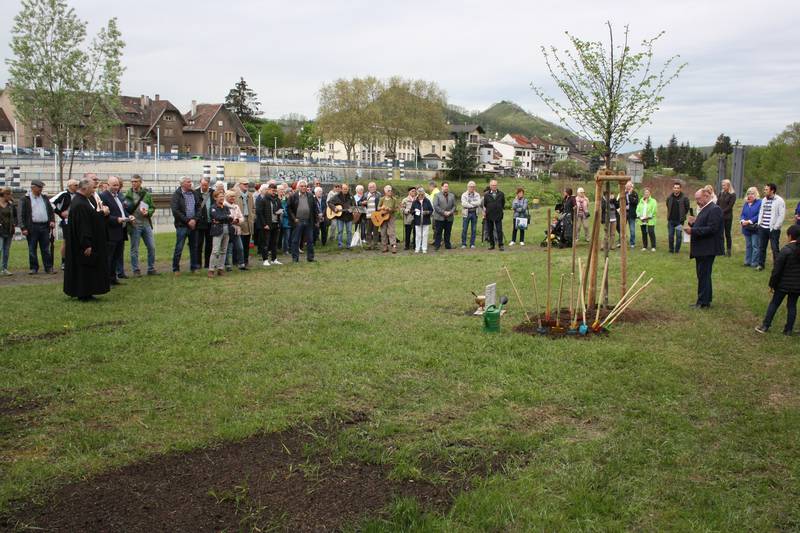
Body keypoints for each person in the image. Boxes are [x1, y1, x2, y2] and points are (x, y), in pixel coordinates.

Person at [63, 178, 110, 301]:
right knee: (84, 268)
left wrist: (100, 214)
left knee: (87, 268)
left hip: (83, 242)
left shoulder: (82, 201)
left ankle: (87, 291)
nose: (93, 191)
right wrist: (86, 244)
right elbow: (83, 226)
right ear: (84, 188)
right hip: (83, 243)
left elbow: (91, 218)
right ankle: (83, 293)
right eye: (92, 188)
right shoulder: (80, 204)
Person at [755, 225, 800, 335]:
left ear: (790, 236)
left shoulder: (786, 250)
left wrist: (772, 284)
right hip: (797, 286)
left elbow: (777, 270)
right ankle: (788, 330)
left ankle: (765, 325)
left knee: (774, 304)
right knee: (792, 306)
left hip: (783, 285)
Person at [685, 188, 724, 309]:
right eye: (696, 199)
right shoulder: (705, 209)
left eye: (698, 199)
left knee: (704, 275)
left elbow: (712, 229)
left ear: (706, 196)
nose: (697, 201)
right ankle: (705, 300)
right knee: (703, 275)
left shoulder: (714, 209)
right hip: (702, 248)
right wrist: (693, 223)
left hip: (707, 248)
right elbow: (704, 224)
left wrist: (693, 230)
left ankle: (703, 302)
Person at [99, 176, 134, 286]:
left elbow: (122, 211)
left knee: (116, 256)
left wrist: (129, 216)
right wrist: (116, 219)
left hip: (120, 230)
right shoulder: (103, 196)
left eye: (117, 185)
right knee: (109, 257)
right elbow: (104, 216)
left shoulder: (118, 196)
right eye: (113, 185)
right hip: (110, 231)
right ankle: (106, 280)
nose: (116, 187)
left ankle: (113, 278)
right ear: (108, 185)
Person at [19, 179, 56, 275]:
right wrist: (23, 228)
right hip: (32, 227)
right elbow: (21, 214)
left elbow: (50, 211)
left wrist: (52, 220)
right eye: (39, 187)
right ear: (33, 187)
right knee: (32, 248)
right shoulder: (25, 199)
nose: (41, 189)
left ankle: (48, 267)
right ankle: (34, 268)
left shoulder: (44, 198)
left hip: (44, 226)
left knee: (46, 248)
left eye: (41, 188)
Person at [124, 175, 157, 276]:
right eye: (132, 181)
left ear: (140, 182)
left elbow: (152, 207)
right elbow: (124, 210)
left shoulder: (146, 194)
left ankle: (151, 269)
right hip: (134, 225)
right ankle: (136, 270)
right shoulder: (127, 194)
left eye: (136, 181)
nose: (134, 183)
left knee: (151, 247)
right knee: (135, 249)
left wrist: (148, 212)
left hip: (146, 224)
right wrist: (129, 217)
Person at [170, 176, 201, 275]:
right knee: (179, 247)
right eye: (188, 182)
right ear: (182, 184)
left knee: (194, 247)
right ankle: (176, 269)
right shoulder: (177, 195)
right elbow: (176, 211)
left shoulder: (194, 193)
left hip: (194, 225)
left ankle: (194, 267)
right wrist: (188, 221)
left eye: (190, 182)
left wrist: (194, 220)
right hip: (182, 225)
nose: (190, 183)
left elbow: (199, 208)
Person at [755, 183, 786, 271]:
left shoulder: (779, 200)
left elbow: (781, 215)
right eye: (764, 189)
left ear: (772, 190)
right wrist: (759, 223)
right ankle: (761, 265)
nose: (764, 191)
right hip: (762, 228)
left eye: (766, 190)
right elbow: (761, 211)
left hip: (773, 229)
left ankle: (777, 267)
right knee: (761, 247)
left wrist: (776, 227)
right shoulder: (764, 200)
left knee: (774, 248)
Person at [50, 179, 79, 270]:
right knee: (66, 241)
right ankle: (64, 262)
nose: (77, 187)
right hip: (66, 221)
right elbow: (50, 202)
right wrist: (60, 212)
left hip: (77, 221)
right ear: (70, 186)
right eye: (75, 185)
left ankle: (74, 260)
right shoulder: (63, 194)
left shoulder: (78, 195)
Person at [287, 179, 318, 262]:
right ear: (298, 187)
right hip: (298, 221)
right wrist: (294, 218)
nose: (304, 187)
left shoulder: (311, 196)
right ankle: (295, 258)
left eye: (305, 186)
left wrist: (316, 220)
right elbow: (289, 209)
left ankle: (310, 258)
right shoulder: (293, 196)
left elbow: (315, 208)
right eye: (302, 186)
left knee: (310, 240)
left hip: (308, 221)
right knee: (295, 240)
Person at [208, 191, 232, 278]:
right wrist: (226, 217)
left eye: (223, 196)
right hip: (217, 231)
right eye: (220, 196)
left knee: (223, 251)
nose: (222, 198)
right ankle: (211, 270)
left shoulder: (226, 207)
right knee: (215, 251)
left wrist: (224, 218)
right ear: (215, 198)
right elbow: (216, 217)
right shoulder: (213, 207)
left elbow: (230, 217)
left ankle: (220, 269)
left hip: (227, 230)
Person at [235, 179, 255, 269]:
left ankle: (245, 261)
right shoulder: (235, 195)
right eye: (244, 184)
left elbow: (253, 208)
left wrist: (253, 216)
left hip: (248, 220)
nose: (246, 185)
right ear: (240, 185)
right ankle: (239, 261)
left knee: (247, 242)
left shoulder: (250, 195)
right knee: (240, 243)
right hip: (239, 221)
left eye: (247, 184)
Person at [739, 187, 762, 268]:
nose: (750, 195)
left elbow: (759, 214)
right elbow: (742, 214)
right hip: (746, 227)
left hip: (755, 227)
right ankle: (747, 261)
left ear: (756, 194)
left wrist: (749, 221)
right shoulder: (746, 203)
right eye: (748, 193)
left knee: (755, 246)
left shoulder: (760, 202)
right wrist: (742, 220)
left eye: (752, 193)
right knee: (748, 245)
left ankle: (754, 262)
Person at [224, 190, 246, 271]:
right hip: (227, 229)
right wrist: (231, 220)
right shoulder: (223, 205)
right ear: (227, 197)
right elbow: (224, 217)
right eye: (231, 196)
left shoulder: (236, 206)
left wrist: (237, 220)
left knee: (240, 247)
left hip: (236, 230)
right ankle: (227, 265)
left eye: (234, 196)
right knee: (227, 248)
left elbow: (242, 218)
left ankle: (241, 264)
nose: (233, 198)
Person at [666, 182, 690, 254]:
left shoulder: (684, 198)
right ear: (673, 188)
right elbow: (668, 205)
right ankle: (671, 250)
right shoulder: (669, 197)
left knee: (679, 236)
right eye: (675, 188)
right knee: (670, 236)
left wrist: (682, 215)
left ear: (680, 189)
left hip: (679, 221)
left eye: (678, 188)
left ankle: (677, 250)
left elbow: (687, 208)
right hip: (671, 221)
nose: (676, 189)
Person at [195, 177, 213, 269]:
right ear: (200, 184)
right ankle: (198, 264)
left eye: (206, 185)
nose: (204, 187)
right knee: (199, 244)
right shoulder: (195, 193)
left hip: (211, 223)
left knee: (209, 244)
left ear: (209, 184)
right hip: (200, 223)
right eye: (203, 185)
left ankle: (207, 263)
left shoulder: (212, 192)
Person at [328, 183, 354, 249]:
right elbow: (329, 202)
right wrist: (334, 208)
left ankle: (349, 245)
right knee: (340, 231)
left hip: (349, 216)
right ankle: (340, 245)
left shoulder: (351, 196)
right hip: (340, 217)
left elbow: (354, 205)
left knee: (349, 231)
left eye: (347, 189)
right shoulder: (337, 196)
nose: (346, 190)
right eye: (344, 189)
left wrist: (352, 209)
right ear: (341, 189)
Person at [432, 181, 455, 250]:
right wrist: (443, 212)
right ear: (442, 187)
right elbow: (436, 206)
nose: (446, 188)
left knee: (448, 232)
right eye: (445, 186)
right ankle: (437, 245)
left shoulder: (452, 195)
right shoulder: (437, 195)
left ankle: (447, 245)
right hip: (439, 217)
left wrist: (450, 212)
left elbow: (454, 206)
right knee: (438, 232)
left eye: (447, 186)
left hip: (449, 217)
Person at [483, 180, 505, 251]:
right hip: (489, 215)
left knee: (499, 230)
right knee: (490, 230)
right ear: (490, 186)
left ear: (497, 186)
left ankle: (500, 245)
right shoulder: (486, 195)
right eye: (492, 185)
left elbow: (503, 203)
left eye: (495, 185)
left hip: (498, 215)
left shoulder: (501, 194)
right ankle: (492, 245)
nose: (494, 186)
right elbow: (485, 204)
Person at [378, 185, 399, 253]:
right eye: (388, 190)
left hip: (391, 217)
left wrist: (390, 209)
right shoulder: (382, 199)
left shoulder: (394, 199)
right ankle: (385, 246)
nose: (390, 192)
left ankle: (393, 246)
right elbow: (378, 207)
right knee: (383, 231)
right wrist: (382, 208)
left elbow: (396, 209)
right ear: (385, 192)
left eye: (390, 190)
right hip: (382, 217)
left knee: (391, 232)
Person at [718, 179, 736, 257]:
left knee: (727, 234)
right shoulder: (721, 193)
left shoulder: (732, 195)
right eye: (722, 185)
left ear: (728, 186)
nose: (723, 186)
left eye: (724, 185)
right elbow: (717, 203)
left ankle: (728, 251)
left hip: (727, 217)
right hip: (720, 217)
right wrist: (717, 210)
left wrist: (721, 212)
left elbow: (730, 206)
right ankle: (721, 250)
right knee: (720, 234)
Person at [411, 187, 433, 254]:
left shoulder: (427, 201)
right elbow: (411, 211)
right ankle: (417, 248)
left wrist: (427, 212)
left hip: (426, 220)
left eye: (422, 194)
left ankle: (424, 248)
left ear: (424, 194)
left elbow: (431, 210)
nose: (421, 195)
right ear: (418, 194)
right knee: (418, 235)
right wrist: (414, 211)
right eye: (420, 194)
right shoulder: (415, 202)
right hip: (417, 221)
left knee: (425, 235)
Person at [0, 187, 16, 275]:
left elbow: (15, 216)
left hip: (8, 230)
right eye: (10, 195)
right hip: (0, 231)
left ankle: (4, 268)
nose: (11, 196)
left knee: (6, 250)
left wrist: (14, 224)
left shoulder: (11, 205)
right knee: (0, 249)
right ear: (5, 195)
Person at [360, 182, 381, 250]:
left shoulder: (378, 194)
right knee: (368, 231)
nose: (372, 188)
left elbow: (382, 203)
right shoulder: (365, 194)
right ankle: (368, 245)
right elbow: (359, 202)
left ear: (375, 187)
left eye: (373, 187)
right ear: (368, 188)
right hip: (368, 215)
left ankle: (375, 245)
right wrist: (363, 203)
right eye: (370, 187)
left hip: (376, 216)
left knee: (376, 231)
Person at [460, 181, 481, 249]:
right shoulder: (464, 194)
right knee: (464, 229)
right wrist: (473, 205)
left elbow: (479, 203)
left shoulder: (477, 194)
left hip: (475, 213)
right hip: (466, 213)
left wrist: (470, 203)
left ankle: (472, 244)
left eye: (473, 187)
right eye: (470, 187)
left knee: (474, 229)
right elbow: (464, 204)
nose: (472, 188)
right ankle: (464, 244)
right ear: (468, 187)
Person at [636, 187, 657, 252]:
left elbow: (654, 211)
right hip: (642, 220)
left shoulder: (653, 201)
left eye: (647, 192)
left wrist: (648, 217)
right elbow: (638, 209)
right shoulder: (641, 200)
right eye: (645, 192)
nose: (646, 193)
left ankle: (653, 246)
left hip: (650, 220)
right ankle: (645, 246)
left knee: (651, 232)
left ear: (650, 193)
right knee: (644, 233)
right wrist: (639, 216)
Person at [623, 181, 639, 249]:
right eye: (627, 186)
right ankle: (622, 242)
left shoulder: (634, 193)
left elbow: (635, 202)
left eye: (629, 186)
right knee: (622, 229)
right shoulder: (623, 193)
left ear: (632, 187)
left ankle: (632, 243)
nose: (628, 187)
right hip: (624, 213)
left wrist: (629, 194)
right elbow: (619, 202)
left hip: (631, 214)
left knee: (632, 229)